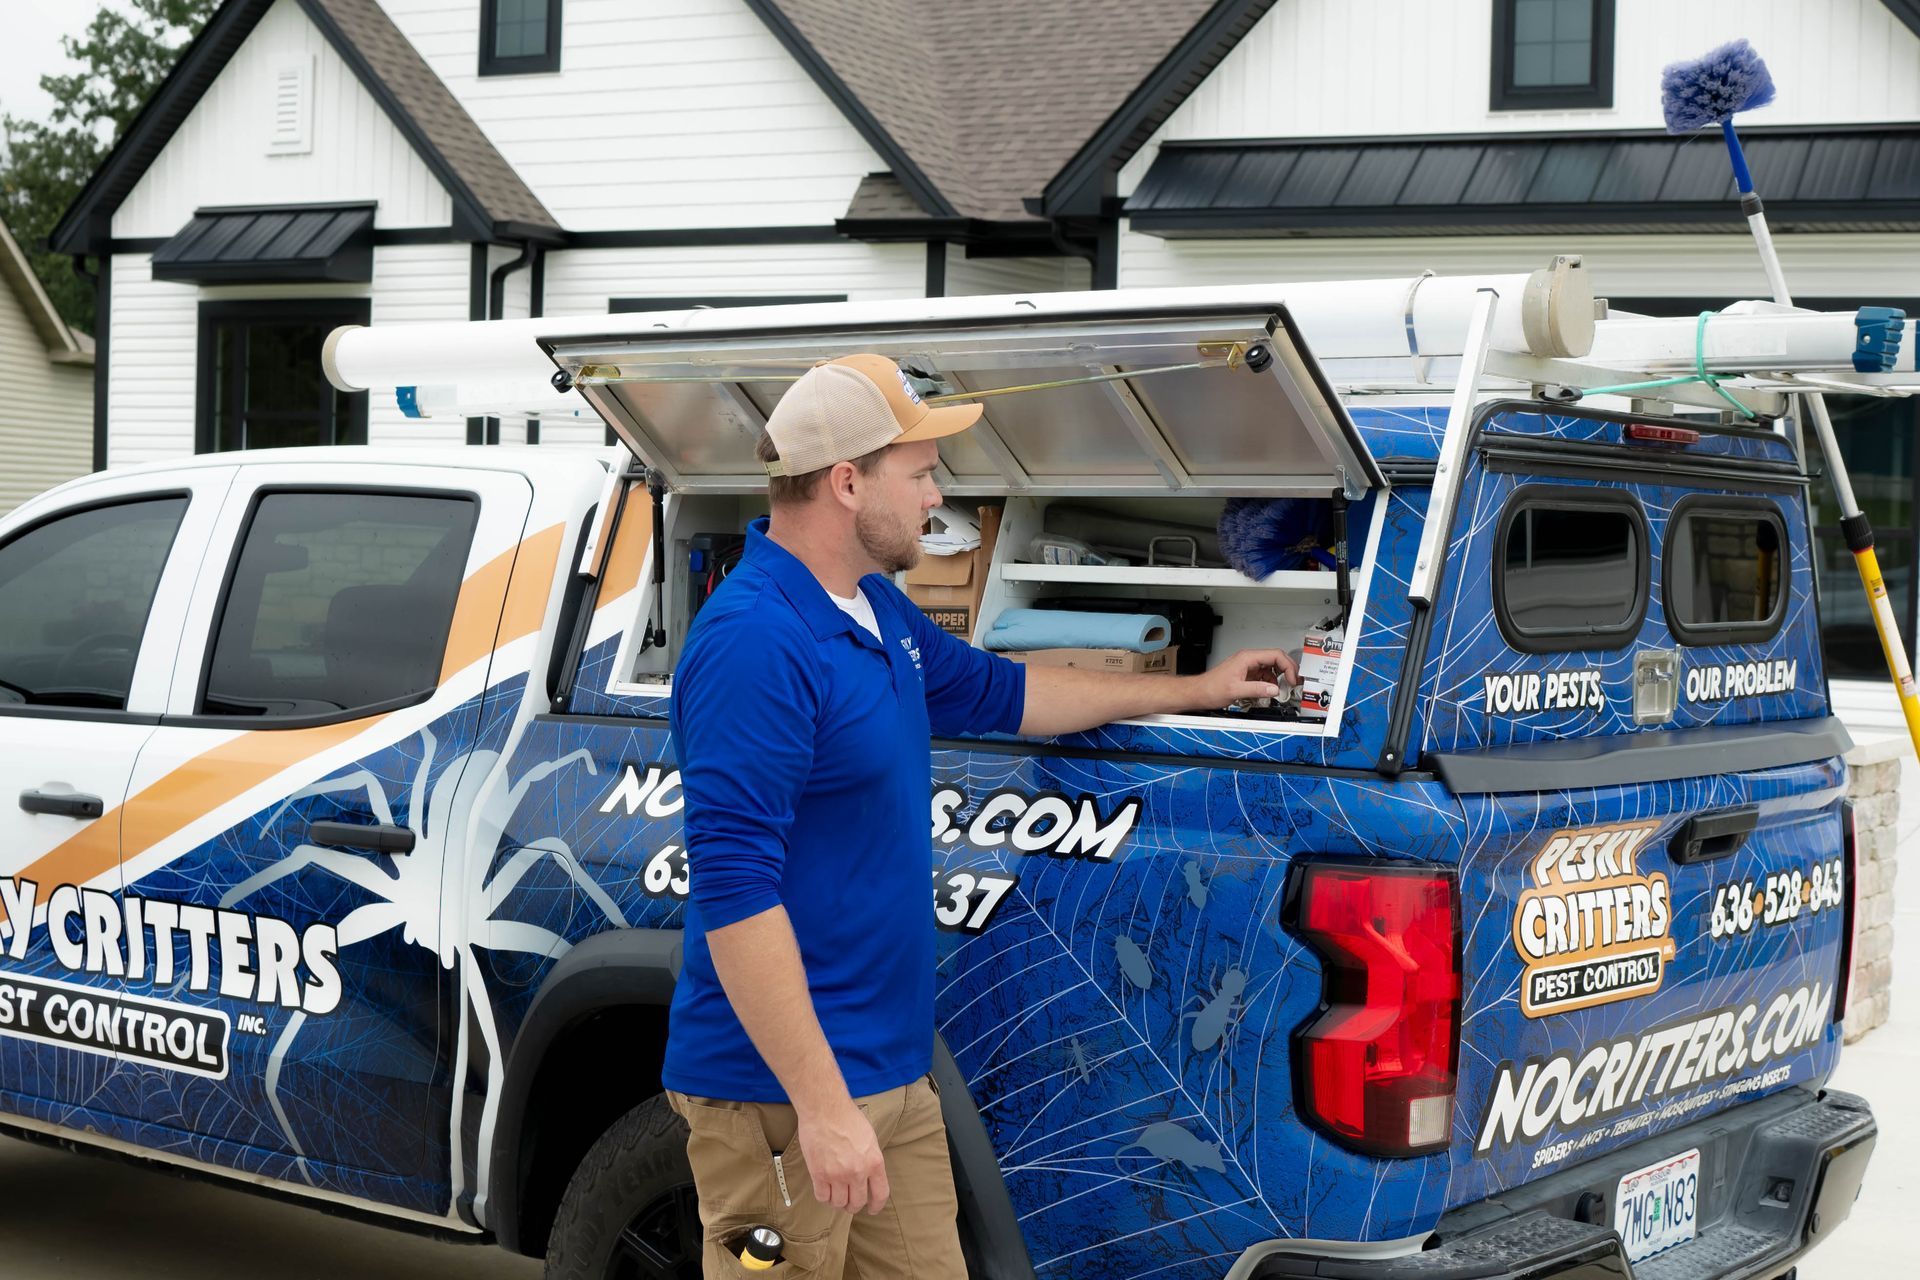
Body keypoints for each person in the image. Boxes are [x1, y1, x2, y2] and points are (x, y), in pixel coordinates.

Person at [663, 353, 1298, 1278]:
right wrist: (824, 1108)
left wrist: (1199, 685)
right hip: (784, 1101)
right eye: (920, 474)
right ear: (847, 482)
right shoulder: (756, 640)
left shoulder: (873, 606)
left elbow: (1010, 690)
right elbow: (733, 889)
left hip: (893, 1073)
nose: (938, 497)